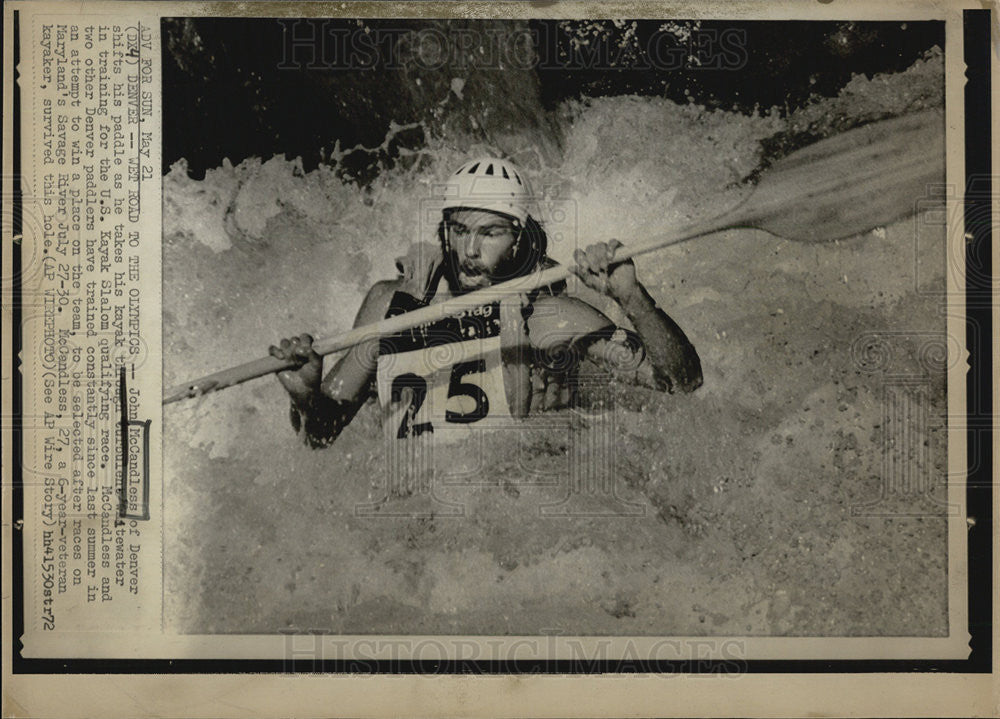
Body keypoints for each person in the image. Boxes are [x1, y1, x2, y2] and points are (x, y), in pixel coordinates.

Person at [270, 156, 702, 448]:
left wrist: (633, 298)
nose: (469, 251)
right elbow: (321, 435)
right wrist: (307, 397)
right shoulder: (392, 305)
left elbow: (681, 383)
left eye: (490, 233)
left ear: (518, 240)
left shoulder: (550, 318)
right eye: (459, 230)